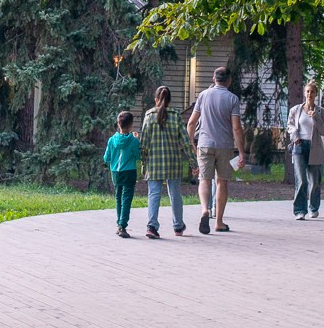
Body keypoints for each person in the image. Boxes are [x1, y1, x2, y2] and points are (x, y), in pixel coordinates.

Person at [186, 66, 245, 234]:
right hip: (225, 146)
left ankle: (205, 209)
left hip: (205, 144)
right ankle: (219, 222)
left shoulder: (203, 95)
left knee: (204, 180)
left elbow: (191, 123)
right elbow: (236, 128)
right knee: (222, 182)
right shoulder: (232, 99)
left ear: (214, 78)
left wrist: (191, 145)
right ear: (229, 80)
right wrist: (241, 152)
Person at [138, 85, 191, 239]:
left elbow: (143, 143)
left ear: (156, 99)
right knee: (175, 194)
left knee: (154, 194)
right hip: (173, 163)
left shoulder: (149, 116)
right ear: (169, 100)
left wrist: (143, 163)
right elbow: (185, 142)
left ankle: (152, 227)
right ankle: (178, 226)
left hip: (154, 163)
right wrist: (193, 162)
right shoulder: (176, 116)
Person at [286, 80, 324, 220]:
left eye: (312, 92)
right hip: (299, 146)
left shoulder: (321, 112)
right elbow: (290, 125)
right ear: (304, 93)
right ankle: (300, 211)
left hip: (314, 147)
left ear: (316, 94)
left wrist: (316, 117)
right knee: (302, 180)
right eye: (307, 91)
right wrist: (295, 136)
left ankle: (314, 208)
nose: (310, 94)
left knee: (314, 182)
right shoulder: (295, 110)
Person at [102, 111, 140, 239]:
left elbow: (106, 158)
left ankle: (119, 223)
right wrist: (137, 140)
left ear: (118, 124)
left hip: (115, 172)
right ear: (131, 125)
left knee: (118, 197)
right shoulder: (133, 141)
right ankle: (122, 225)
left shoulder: (112, 140)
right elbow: (138, 155)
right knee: (126, 199)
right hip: (129, 171)